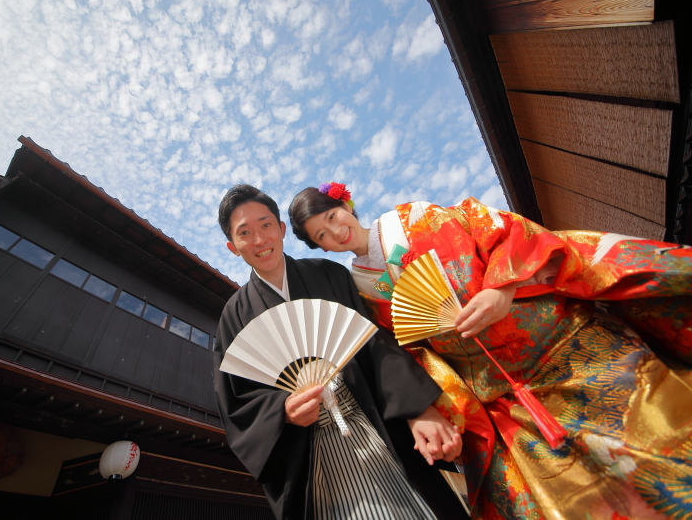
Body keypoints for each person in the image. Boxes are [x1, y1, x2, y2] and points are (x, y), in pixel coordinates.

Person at [288, 182, 692, 520]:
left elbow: (503, 231)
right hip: (502, 392)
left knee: (659, 429)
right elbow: (416, 356)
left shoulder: (419, 219)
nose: (335, 232)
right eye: (322, 235)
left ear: (346, 205)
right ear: (321, 249)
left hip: (564, 343)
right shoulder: (364, 291)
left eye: (332, 217)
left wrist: (502, 288)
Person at [212, 184, 471, 520]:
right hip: (310, 448)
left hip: (372, 419)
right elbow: (236, 403)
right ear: (233, 247)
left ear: (281, 229)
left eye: (265, 225)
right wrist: (282, 411)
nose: (260, 240)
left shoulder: (329, 275)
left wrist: (417, 410)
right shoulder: (233, 318)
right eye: (245, 233)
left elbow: (374, 343)